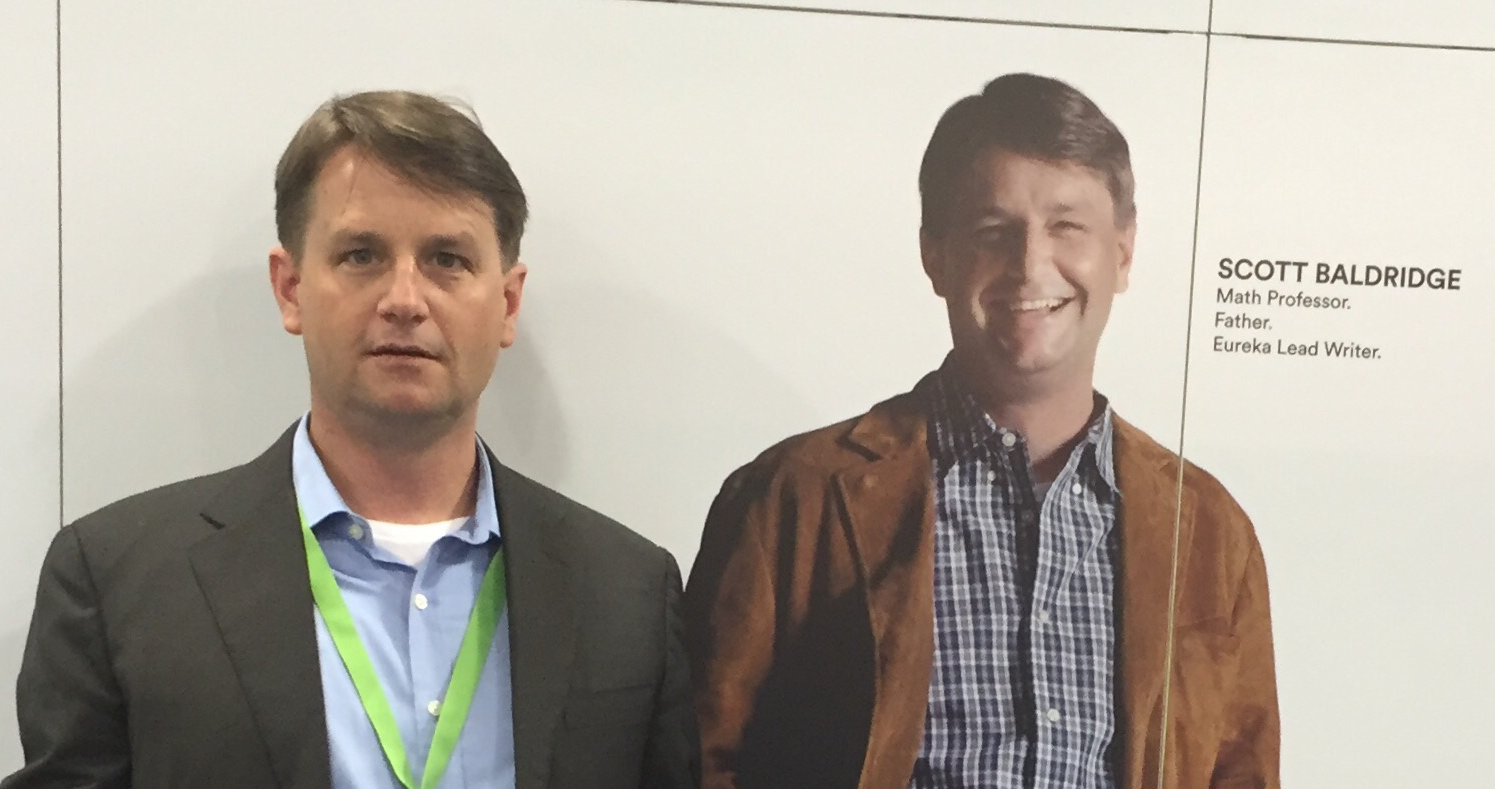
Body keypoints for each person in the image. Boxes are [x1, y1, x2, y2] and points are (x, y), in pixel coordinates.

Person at [4, 90, 699, 789]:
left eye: (447, 259)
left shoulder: (628, 593)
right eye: (362, 255)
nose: (405, 300)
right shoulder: (118, 583)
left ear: (508, 303)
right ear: (290, 289)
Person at [683, 73, 1279, 789]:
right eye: (993, 232)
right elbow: (700, 762)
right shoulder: (792, 498)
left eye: (1066, 227)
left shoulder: (1209, 531)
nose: (1029, 265)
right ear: (935, 255)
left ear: (1122, 253)